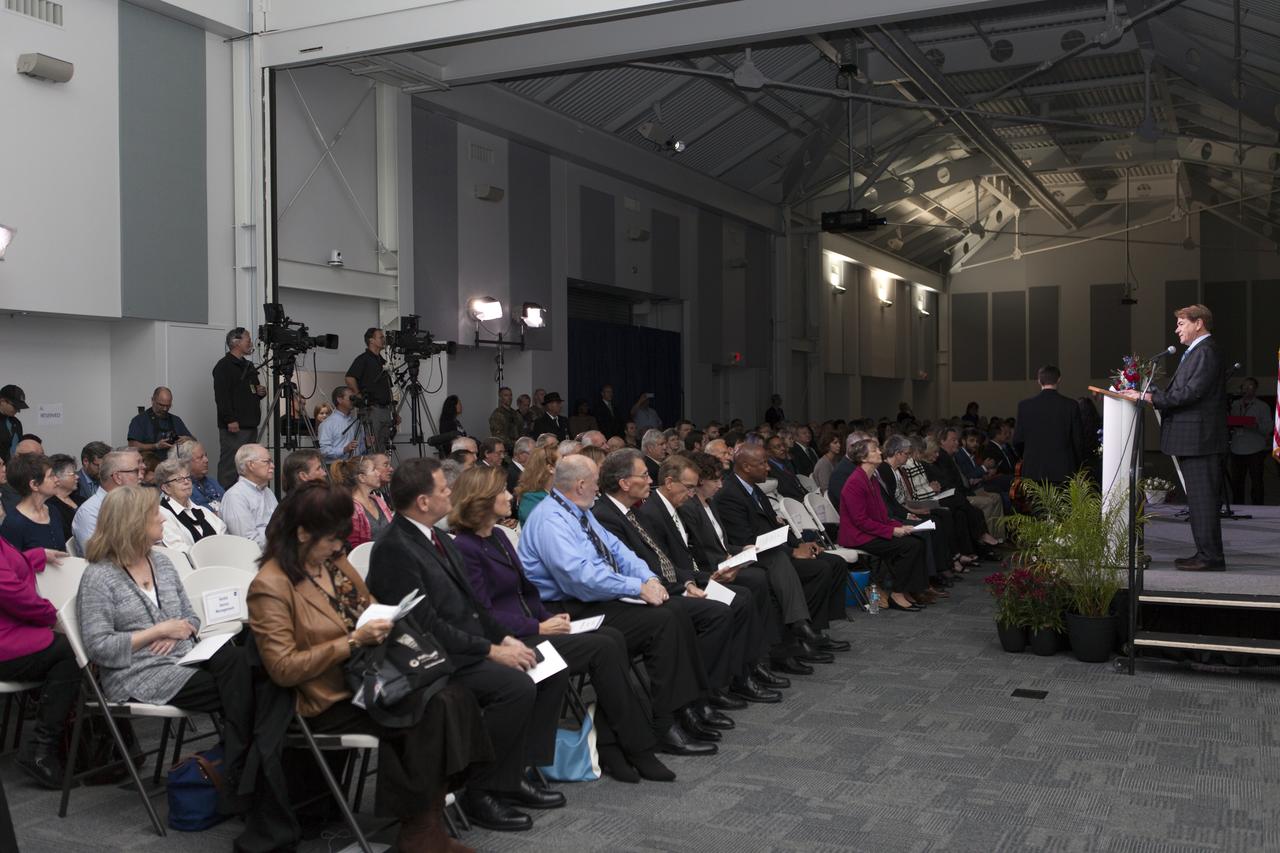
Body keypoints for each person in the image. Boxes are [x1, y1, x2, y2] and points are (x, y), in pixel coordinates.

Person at [248, 483, 492, 851]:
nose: (338, 547)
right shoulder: (270, 586)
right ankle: (418, 832)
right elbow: (282, 668)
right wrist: (352, 641)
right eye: (331, 539)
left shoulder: (334, 563)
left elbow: (368, 604)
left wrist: (384, 618)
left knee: (453, 693)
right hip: (327, 697)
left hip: (370, 676)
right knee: (430, 710)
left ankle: (424, 824)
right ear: (301, 533)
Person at [366, 458, 569, 831]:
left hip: (463, 645)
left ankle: (517, 772)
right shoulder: (394, 548)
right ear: (424, 502)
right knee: (515, 686)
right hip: (432, 659)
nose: (450, 493)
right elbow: (424, 625)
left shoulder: (437, 537)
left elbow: (474, 606)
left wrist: (504, 637)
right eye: (444, 489)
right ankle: (482, 791)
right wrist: (491, 650)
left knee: (548, 666)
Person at [449, 466, 675, 783]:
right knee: (603, 645)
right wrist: (539, 627)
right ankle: (635, 748)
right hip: (510, 640)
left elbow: (527, 592)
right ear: (481, 500)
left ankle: (614, 745)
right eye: (501, 491)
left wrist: (546, 618)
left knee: (611, 637)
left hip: (533, 626)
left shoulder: (499, 536)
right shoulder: (465, 548)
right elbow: (482, 613)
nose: (509, 495)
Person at [518, 454, 717, 756]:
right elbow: (579, 578)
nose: (600, 488)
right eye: (596, 482)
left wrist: (649, 580)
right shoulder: (550, 520)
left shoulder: (579, 511)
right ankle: (665, 723)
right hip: (565, 609)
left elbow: (619, 551)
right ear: (581, 484)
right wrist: (636, 587)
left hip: (594, 598)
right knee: (661, 621)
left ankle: (682, 708)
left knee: (674, 609)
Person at [78, 486, 253, 796]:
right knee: (246, 686)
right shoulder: (99, 577)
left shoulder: (162, 563)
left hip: (185, 658)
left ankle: (239, 760)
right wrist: (158, 632)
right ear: (132, 523)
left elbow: (191, 617)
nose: (162, 517)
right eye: (153, 514)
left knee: (242, 661)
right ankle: (243, 766)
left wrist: (182, 629)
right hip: (138, 674)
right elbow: (98, 646)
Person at [591, 450, 745, 725]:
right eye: (645, 475)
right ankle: (693, 700)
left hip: (661, 586)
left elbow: (655, 562)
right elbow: (629, 570)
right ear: (624, 483)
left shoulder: (630, 512)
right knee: (709, 613)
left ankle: (702, 695)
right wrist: (681, 587)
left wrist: (688, 581)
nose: (651, 480)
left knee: (730, 601)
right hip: (631, 600)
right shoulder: (606, 516)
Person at [637, 454, 782, 704]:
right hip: (673, 585)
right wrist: (700, 578)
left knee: (745, 593)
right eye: (689, 487)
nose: (693, 493)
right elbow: (664, 565)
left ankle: (742, 672)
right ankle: (715, 686)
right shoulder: (653, 512)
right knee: (736, 600)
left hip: (688, 576)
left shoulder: (674, 506)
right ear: (670, 483)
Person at [712, 444, 849, 661]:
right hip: (758, 556)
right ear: (746, 467)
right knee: (819, 569)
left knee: (835, 563)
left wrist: (801, 543)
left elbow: (774, 525)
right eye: (762, 463)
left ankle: (816, 631)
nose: (768, 468)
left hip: (775, 550)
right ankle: (801, 632)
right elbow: (745, 539)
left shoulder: (753, 487)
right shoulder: (730, 494)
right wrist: (791, 551)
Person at [1120, 304, 1227, 571]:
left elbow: (1191, 394)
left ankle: (1210, 557)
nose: (1176, 329)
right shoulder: (1197, 352)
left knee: (1203, 500)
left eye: (1181, 323)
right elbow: (1182, 391)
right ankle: (1205, 553)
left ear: (1198, 323)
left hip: (1199, 440)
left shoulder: (1206, 351)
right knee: (1198, 501)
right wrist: (1148, 388)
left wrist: (1150, 397)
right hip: (1194, 439)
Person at [0, 537, 77, 788]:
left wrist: (36, 555)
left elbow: (10, 566)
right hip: (5, 638)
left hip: (10, 630)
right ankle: (41, 750)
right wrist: (53, 616)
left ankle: (46, 746)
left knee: (72, 647)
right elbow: (10, 591)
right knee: (69, 650)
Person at [836, 438, 930, 611]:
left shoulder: (871, 479)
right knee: (910, 546)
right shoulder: (855, 483)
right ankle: (897, 592)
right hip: (858, 536)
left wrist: (898, 526)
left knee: (918, 541)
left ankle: (909, 590)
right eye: (874, 450)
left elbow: (881, 514)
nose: (880, 452)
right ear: (864, 458)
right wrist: (892, 531)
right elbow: (860, 521)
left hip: (869, 531)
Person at [1012, 365, 1085, 485]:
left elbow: (1018, 441)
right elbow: (1078, 441)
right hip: (1063, 470)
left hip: (1033, 470)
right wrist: (1077, 466)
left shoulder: (1024, 406)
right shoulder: (1071, 405)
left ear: (1039, 381)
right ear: (1059, 380)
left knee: (1036, 504)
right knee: (1062, 504)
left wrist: (1029, 456)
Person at [213, 328, 266, 488]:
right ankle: (224, 499)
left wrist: (260, 392)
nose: (250, 343)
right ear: (236, 342)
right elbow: (222, 396)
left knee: (248, 465)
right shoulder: (224, 366)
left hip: (251, 424)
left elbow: (253, 389)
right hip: (235, 427)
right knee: (231, 466)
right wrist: (230, 419)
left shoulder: (248, 365)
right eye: (247, 340)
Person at [72, 448, 146, 554]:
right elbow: (97, 557)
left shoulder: (134, 504)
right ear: (117, 477)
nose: (141, 476)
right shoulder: (91, 512)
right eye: (135, 471)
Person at [155, 457, 227, 552]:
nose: (186, 482)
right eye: (179, 479)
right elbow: (178, 549)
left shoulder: (201, 510)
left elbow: (223, 535)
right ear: (166, 488)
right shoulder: (161, 515)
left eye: (188, 477)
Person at [345, 327, 395, 453]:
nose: (384, 339)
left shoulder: (382, 361)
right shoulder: (363, 359)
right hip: (372, 409)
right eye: (381, 337)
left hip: (385, 409)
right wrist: (358, 395)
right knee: (371, 446)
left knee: (383, 448)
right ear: (371, 340)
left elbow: (388, 388)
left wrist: (394, 412)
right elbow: (349, 378)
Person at [1, 454, 66, 551]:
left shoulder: (53, 511)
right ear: (34, 485)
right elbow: (12, 563)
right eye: (51, 476)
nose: (57, 480)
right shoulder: (14, 523)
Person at [220, 443, 278, 546]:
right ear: (251, 465)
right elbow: (248, 542)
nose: (273, 466)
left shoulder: (267, 491)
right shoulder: (235, 496)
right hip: (252, 558)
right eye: (267, 462)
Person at [330, 456, 393, 549]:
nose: (378, 473)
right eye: (374, 469)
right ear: (362, 477)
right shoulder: (351, 508)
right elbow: (353, 548)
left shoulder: (378, 500)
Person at [1229, 377, 1271, 505]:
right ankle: (1237, 507)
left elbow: (1268, 427)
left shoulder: (1262, 406)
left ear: (1256, 389)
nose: (1246, 389)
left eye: (1250, 386)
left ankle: (1258, 508)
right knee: (1237, 482)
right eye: (1244, 386)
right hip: (1237, 448)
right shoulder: (1234, 405)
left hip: (1255, 449)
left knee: (1257, 482)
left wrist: (1256, 425)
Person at [126, 387, 194, 454]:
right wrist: (155, 446)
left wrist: (189, 440)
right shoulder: (139, 420)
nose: (165, 409)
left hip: (173, 463)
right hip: (149, 463)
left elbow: (195, 441)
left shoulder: (176, 420)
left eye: (168, 406)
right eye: (161, 405)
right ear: (152, 400)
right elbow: (132, 446)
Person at [173, 441, 225, 512]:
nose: (206, 460)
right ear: (186, 463)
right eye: (200, 457)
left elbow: (228, 504)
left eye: (206, 456)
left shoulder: (212, 481)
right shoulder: (184, 488)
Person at [318, 387, 366, 463]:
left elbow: (358, 449)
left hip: (354, 466)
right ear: (339, 400)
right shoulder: (327, 424)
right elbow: (324, 451)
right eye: (351, 398)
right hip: (336, 468)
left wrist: (366, 444)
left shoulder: (357, 422)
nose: (354, 401)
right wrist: (344, 449)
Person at [514, 446, 558, 525]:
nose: (567, 467)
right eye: (563, 463)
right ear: (550, 468)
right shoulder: (531, 500)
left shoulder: (553, 492)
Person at [46, 454, 82, 541]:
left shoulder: (81, 500)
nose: (77, 477)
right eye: (72, 474)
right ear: (56, 478)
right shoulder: (51, 506)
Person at [764, 435, 808, 502]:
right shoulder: (769, 470)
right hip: (792, 504)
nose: (783, 449)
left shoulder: (786, 462)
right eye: (778, 447)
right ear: (768, 451)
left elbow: (798, 485)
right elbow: (785, 492)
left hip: (803, 499)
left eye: (783, 445)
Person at [0, 384, 29, 463]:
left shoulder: (16, 423)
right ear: (2, 401)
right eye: (15, 406)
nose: (18, 410)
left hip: (13, 471)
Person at [811, 428, 842, 494]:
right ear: (827, 445)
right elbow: (825, 489)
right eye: (835, 443)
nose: (839, 445)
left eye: (839, 442)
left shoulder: (835, 459)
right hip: (829, 498)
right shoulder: (823, 464)